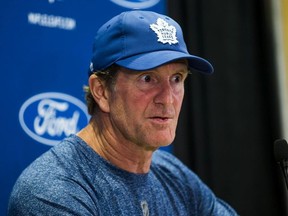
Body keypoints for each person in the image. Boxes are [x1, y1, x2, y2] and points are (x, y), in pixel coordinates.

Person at [8, 10, 238, 215]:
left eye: (177, 78)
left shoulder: (175, 176)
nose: (168, 98)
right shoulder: (53, 190)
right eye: (147, 79)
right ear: (102, 91)